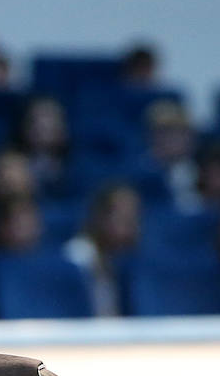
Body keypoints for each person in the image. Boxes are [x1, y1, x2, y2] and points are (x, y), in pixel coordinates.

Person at [63, 182, 142, 317]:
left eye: (132, 217)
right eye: (121, 216)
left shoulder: (133, 256)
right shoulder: (77, 254)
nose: (129, 224)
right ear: (101, 217)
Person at [14, 96, 73, 198]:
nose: (42, 127)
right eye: (36, 120)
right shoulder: (11, 164)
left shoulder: (77, 168)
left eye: (49, 120)